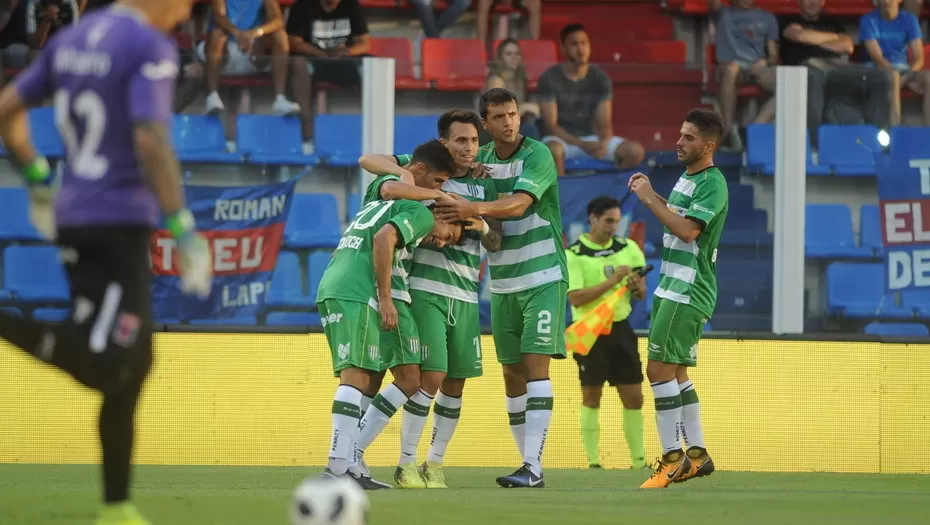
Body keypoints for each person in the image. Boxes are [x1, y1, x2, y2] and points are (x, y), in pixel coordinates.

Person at [0, 1, 213, 524]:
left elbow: (7, 107)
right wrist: (183, 228)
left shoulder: (71, 39)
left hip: (77, 212)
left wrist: (36, 180)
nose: (184, 16)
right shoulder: (148, 46)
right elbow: (150, 137)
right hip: (118, 219)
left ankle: (116, 506)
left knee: (132, 364)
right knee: (112, 364)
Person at [359, 110, 503, 489]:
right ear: (444, 143)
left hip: (466, 293)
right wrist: (439, 220)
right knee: (429, 377)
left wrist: (479, 221)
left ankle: (434, 463)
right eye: (460, 141)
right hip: (425, 288)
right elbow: (374, 165)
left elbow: (496, 241)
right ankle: (404, 463)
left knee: (455, 382)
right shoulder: (420, 168)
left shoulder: (485, 184)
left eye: (474, 141)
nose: (469, 148)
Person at [435, 88, 566, 489]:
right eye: (499, 117)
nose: (509, 122)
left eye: (513, 114)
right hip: (504, 282)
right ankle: (524, 463)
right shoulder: (484, 163)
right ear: (485, 124)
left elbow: (520, 204)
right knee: (511, 374)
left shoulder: (537, 154)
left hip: (543, 275)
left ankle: (534, 466)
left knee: (535, 366)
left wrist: (472, 208)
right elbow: (491, 226)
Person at [323, 140, 460, 489]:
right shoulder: (419, 209)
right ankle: (340, 465)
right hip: (360, 289)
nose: (440, 192)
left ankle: (350, 458)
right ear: (419, 172)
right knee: (357, 375)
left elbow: (384, 183)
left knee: (407, 377)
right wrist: (385, 298)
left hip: (339, 280)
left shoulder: (380, 196)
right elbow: (383, 240)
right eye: (440, 182)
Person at [629, 108, 728, 489]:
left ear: (709, 145)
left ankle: (673, 459)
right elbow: (675, 216)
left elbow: (687, 231)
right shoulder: (689, 178)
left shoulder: (713, 183)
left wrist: (648, 200)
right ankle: (698, 455)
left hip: (686, 288)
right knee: (677, 374)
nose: (679, 141)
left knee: (657, 371)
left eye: (689, 137)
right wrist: (650, 192)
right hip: (676, 285)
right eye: (680, 134)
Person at [565, 196, 647, 471]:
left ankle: (639, 461)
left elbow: (641, 293)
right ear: (593, 220)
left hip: (621, 327)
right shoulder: (574, 254)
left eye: (617, 221)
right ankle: (593, 461)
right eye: (608, 221)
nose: (614, 227)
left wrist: (635, 285)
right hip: (589, 331)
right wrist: (612, 281)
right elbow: (575, 298)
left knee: (634, 395)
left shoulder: (629, 248)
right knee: (591, 395)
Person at [537, 24, 645, 176]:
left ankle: (613, 193)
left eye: (584, 43)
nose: (580, 49)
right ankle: (561, 197)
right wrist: (582, 144)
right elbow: (551, 127)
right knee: (553, 151)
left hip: (591, 138)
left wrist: (602, 143)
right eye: (574, 44)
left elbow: (604, 123)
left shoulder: (600, 78)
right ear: (563, 48)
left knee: (634, 151)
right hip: (561, 140)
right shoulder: (549, 78)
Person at [286, 0, 370, 155]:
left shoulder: (352, 5)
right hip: (314, 60)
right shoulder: (302, 6)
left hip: (345, 60)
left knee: (372, 66)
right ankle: (307, 136)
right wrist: (322, 54)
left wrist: (346, 53)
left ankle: (372, 133)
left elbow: (365, 43)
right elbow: (293, 42)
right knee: (297, 64)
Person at [200, 0, 300, 117]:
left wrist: (255, 33)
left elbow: (277, 19)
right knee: (217, 34)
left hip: (253, 51)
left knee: (280, 36)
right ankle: (212, 96)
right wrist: (237, 34)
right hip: (225, 53)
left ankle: (280, 99)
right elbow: (218, 16)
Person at [710, 0, 779, 149]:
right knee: (731, 69)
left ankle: (753, 130)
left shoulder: (767, 17)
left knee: (788, 85)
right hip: (728, 66)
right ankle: (727, 131)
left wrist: (766, 62)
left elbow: (774, 55)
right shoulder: (723, 13)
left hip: (756, 66)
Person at [860, 0, 930, 126]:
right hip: (877, 70)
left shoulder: (910, 19)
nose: (887, 1)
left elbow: (919, 57)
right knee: (893, 77)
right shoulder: (868, 20)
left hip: (904, 70)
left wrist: (907, 77)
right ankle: (895, 132)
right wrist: (901, 80)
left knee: (929, 77)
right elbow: (878, 59)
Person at [485, 38, 540, 139]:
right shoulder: (496, 80)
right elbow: (497, 111)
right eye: (509, 54)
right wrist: (524, 108)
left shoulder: (520, 79)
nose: (514, 57)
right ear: (500, 57)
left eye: (517, 53)